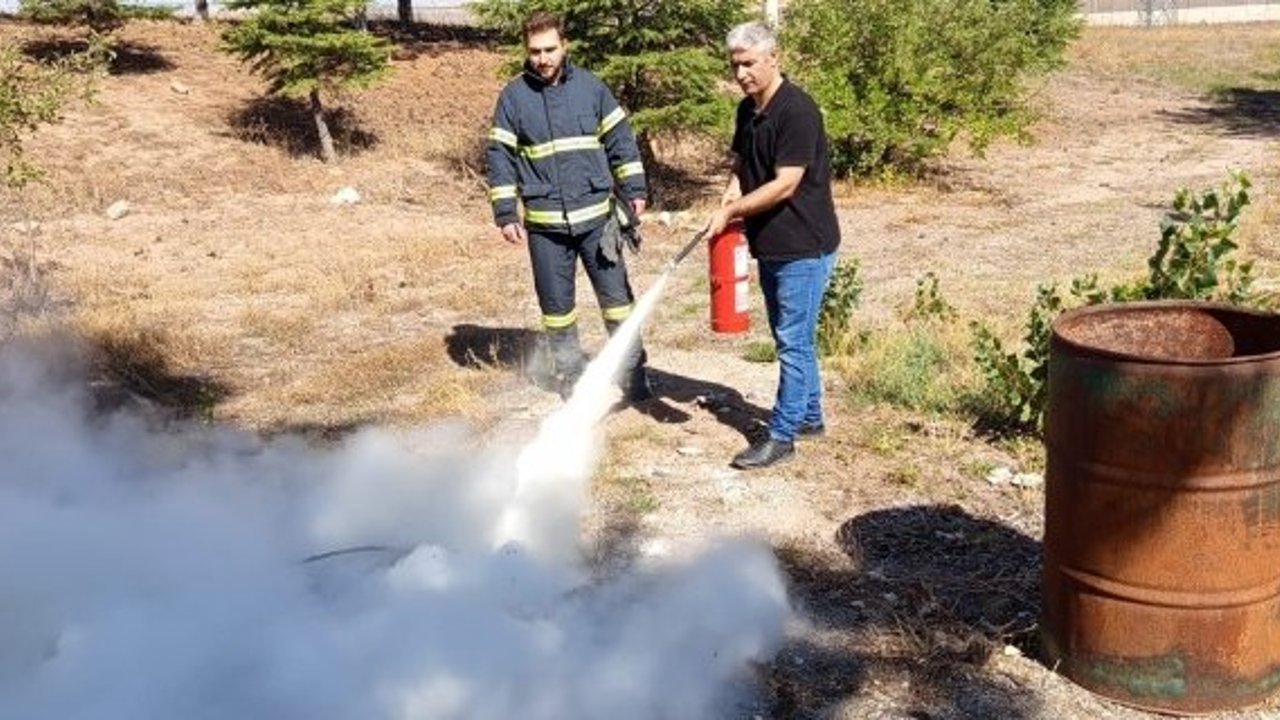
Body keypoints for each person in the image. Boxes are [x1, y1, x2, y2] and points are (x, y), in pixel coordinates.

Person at [485, 11, 652, 402]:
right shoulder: (513, 97)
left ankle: (633, 371)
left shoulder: (592, 89)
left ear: (565, 46)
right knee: (557, 310)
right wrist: (506, 212)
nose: (542, 59)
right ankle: (571, 376)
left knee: (617, 303)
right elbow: (499, 157)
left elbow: (621, 141)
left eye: (550, 49)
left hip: (598, 221)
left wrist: (634, 189)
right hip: (546, 228)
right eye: (535, 51)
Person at [704, 21, 841, 470]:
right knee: (795, 336)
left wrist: (733, 210)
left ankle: (781, 436)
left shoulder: (798, 112)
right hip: (773, 243)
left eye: (748, 63)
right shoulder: (748, 111)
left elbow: (786, 185)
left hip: (805, 244)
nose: (741, 73)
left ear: (773, 58)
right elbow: (741, 160)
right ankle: (811, 417)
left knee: (791, 343)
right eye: (735, 65)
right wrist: (729, 193)